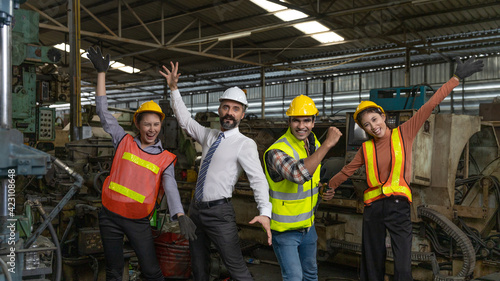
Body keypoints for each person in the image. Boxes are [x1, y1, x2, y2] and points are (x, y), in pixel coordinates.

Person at [324, 57, 484, 281]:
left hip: (398, 206)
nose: (373, 126)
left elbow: (429, 106)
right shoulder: (365, 148)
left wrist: (455, 79)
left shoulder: (404, 133)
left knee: (401, 266)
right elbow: (346, 171)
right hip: (372, 209)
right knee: (372, 263)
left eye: (374, 119)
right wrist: (329, 186)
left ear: (383, 116)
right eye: (366, 125)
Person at [87, 47, 196, 281]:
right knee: (114, 271)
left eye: (156, 125)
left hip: (138, 221)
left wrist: (179, 214)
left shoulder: (165, 158)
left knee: (151, 272)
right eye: (147, 124)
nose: (151, 129)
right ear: (138, 124)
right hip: (110, 216)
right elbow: (103, 112)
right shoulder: (123, 141)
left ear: (161, 126)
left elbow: (170, 186)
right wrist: (101, 74)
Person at [159, 62, 272, 281]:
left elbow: (258, 180)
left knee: (236, 268)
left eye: (236, 109)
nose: (229, 113)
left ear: (243, 115)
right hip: (196, 210)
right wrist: (174, 89)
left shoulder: (244, 143)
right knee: (198, 265)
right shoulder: (209, 136)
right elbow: (184, 121)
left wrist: (265, 211)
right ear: (220, 109)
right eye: (226, 107)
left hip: (219, 214)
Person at [262, 95, 342, 281]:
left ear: (314, 122)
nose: (301, 126)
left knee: (310, 274)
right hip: (285, 231)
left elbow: (312, 181)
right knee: (294, 277)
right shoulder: (277, 150)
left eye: (306, 120)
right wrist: (329, 144)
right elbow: (298, 175)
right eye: (296, 120)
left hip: (308, 227)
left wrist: (322, 189)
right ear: (289, 121)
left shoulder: (313, 145)